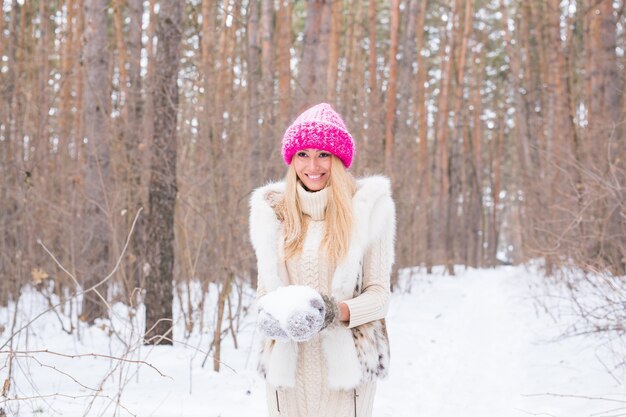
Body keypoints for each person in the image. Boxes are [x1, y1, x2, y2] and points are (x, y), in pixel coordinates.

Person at [249, 103, 396, 417]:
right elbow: (264, 292)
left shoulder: (368, 210)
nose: (312, 165)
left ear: (338, 159)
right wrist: (270, 314)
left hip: (345, 373)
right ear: (292, 160)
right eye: (303, 154)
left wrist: (334, 311)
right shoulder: (274, 214)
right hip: (286, 373)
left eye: (323, 154)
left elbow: (379, 296)